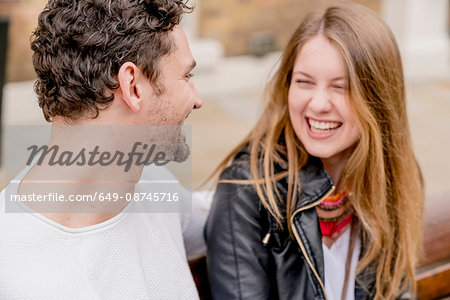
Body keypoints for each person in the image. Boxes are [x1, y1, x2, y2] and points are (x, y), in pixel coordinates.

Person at [205, 3, 424, 300]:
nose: (319, 104)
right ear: (287, 85)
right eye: (304, 82)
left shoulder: (394, 181)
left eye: (341, 87)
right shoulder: (247, 192)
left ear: (378, 98)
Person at [0, 0, 208, 299]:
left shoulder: (151, 183)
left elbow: (221, 217)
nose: (197, 99)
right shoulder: (15, 275)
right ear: (133, 86)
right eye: (186, 76)